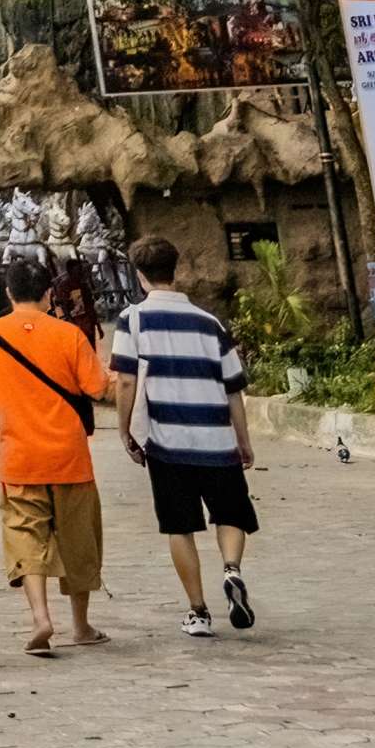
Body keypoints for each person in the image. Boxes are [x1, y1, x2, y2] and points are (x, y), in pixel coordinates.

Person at [0, 253, 112, 656]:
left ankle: (41, 618)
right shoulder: (69, 335)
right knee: (79, 542)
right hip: (70, 458)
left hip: (20, 459)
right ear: (48, 293)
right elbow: (97, 388)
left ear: (8, 293)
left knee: (25, 536)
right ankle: (80, 626)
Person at [118, 236, 260, 637]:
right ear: (175, 269)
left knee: (179, 526)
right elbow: (233, 389)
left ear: (140, 276)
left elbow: (126, 381)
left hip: (167, 443)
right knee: (231, 513)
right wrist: (242, 440)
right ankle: (231, 570)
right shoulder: (210, 323)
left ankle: (198, 611)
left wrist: (124, 429)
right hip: (216, 440)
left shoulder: (133, 319)